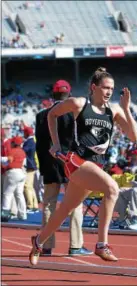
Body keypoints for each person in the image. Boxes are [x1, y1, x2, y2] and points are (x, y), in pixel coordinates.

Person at [29, 67, 137, 265]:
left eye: (111, 89)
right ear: (93, 87)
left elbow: (134, 136)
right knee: (112, 189)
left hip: (95, 166)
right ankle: (101, 244)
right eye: (105, 88)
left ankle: (38, 242)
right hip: (76, 162)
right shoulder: (79, 103)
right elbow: (51, 115)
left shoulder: (113, 111)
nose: (108, 92)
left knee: (64, 211)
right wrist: (55, 144)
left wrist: (127, 110)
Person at [35, 79, 92, 256]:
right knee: (75, 202)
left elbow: (40, 144)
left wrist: (43, 165)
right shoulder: (75, 114)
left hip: (50, 162)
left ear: (53, 94)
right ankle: (75, 245)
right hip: (71, 161)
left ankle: (45, 244)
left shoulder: (41, 115)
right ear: (70, 94)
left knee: (49, 203)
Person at [2, 136, 27, 220]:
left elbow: (9, 160)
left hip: (13, 173)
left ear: (14, 143)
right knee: (19, 194)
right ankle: (23, 214)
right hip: (21, 173)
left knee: (7, 194)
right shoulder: (22, 151)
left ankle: (4, 214)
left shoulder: (13, 151)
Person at [23, 126, 39, 212]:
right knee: (30, 186)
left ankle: (30, 206)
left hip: (29, 166)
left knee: (27, 186)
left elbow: (23, 151)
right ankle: (35, 205)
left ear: (26, 133)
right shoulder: (32, 141)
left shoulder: (29, 142)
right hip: (32, 165)